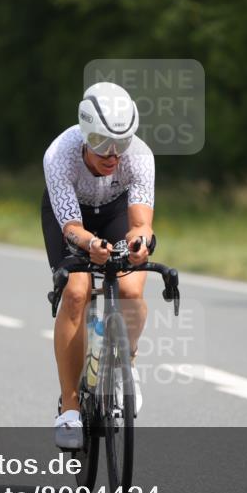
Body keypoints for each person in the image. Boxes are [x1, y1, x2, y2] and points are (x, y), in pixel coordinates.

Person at [42, 82, 155, 449]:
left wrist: (140, 242)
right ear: (86, 137)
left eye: (121, 144)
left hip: (114, 211)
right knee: (76, 293)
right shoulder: (59, 154)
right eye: (104, 144)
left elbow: (141, 222)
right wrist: (90, 244)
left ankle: (128, 361)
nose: (114, 155)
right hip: (71, 218)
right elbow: (72, 227)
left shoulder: (139, 155)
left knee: (130, 288)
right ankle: (70, 406)